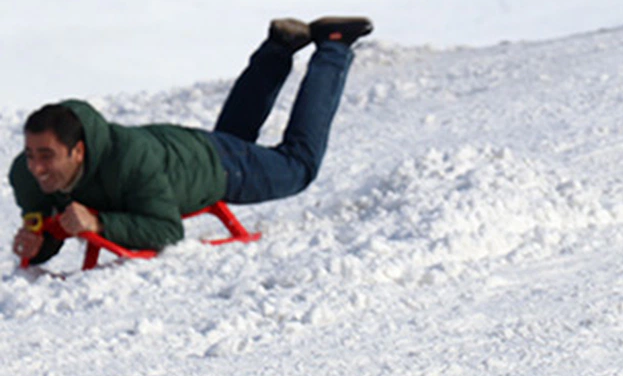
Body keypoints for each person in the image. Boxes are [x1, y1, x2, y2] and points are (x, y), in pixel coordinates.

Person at [10, 16, 374, 266]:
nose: (37, 167)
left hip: (214, 166)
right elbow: (48, 220)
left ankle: (333, 46)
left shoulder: (129, 163)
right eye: (30, 154)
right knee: (232, 139)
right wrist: (40, 245)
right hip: (182, 149)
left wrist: (100, 224)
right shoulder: (28, 175)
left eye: (47, 156)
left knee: (298, 167)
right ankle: (281, 45)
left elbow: (167, 230)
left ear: (79, 151)